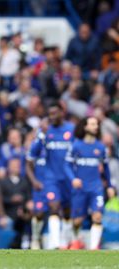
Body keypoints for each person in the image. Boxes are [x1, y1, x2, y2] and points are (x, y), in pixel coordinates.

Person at [64, 117, 116, 249]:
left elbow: (106, 169)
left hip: (96, 187)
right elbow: (67, 165)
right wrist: (73, 178)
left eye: (97, 124)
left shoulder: (101, 147)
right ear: (85, 127)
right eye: (92, 124)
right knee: (77, 221)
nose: (96, 127)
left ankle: (94, 248)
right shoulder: (76, 146)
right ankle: (75, 240)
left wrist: (109, 186)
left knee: (97, 216)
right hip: (80, 188)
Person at [32, 101, 74, 249]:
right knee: (54, 207)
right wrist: (42, 134)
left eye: (54, 113)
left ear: (62, 113)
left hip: (68, 178)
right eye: (49, 114)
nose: (52, 117)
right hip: (51, 178)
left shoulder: (71, 130)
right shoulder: (46, 131)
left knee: (67, 210)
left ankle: (66, 240)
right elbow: (33, 153)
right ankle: (54, 244)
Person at [26, 118, 49, 249]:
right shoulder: (37, 146)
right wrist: (34, 181)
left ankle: (62, 241)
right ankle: (35, 238)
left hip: (55, 183)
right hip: (40, 183)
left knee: (60, 210)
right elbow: (28, 164)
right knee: (39, 212)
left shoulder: (57, 145)